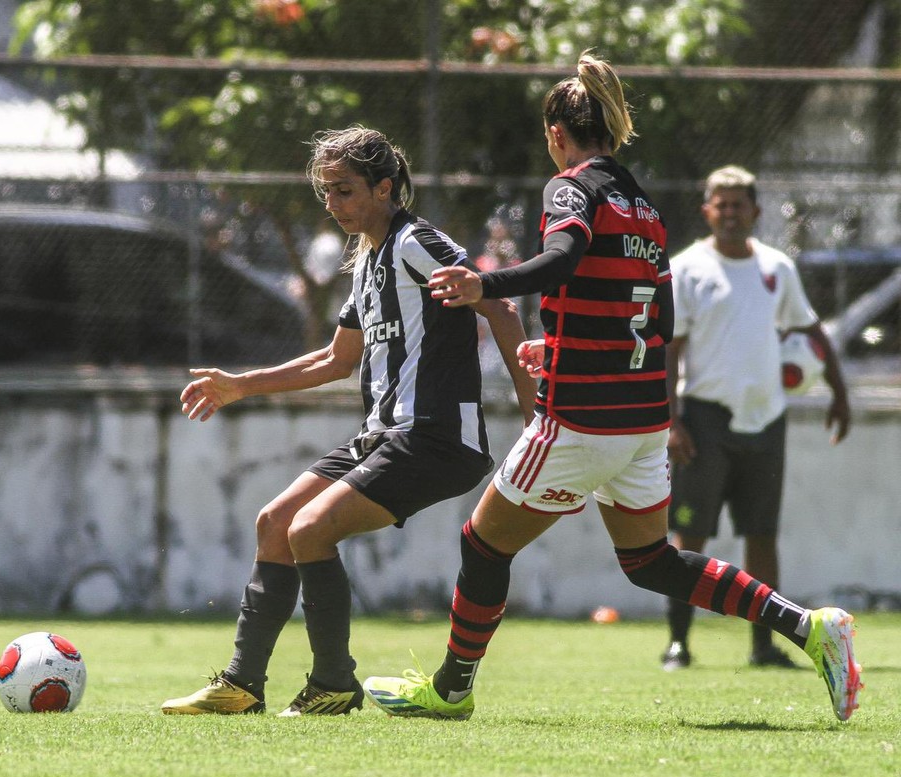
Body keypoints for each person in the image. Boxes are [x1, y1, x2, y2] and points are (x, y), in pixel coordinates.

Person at [363, 52, 862, 723]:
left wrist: (486, 283)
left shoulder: (572, 188)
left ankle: (452, 688)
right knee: (651, 559)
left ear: (557, 134)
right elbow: (656, 320)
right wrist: (564, 344)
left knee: (483, 543)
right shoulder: (646, 207)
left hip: (581, 420)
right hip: (642, 421)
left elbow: (564, 258)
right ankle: (808, 625)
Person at [161, 125, 537, 717]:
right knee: (274, 523)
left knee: (310, 530)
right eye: (326, 193)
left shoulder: (418, 243)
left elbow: (500, 305)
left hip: (436, 436)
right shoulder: (365, 259)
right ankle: (241, 685)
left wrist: (536, 416)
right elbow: (335, 359)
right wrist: (240, 385)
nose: (332, 205)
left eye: (344, 191)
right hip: (383, 435)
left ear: (385, 187)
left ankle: (334, 683)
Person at [660, 165, 851, 672]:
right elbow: (669, 350)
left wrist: (839, 391)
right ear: (707, 211)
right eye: (720, 204)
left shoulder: (776, 268)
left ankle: (764, 646)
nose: (729, 213)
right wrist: (671, 421)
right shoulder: (687, 269)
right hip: (704, 422)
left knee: (761, 535)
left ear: (756, 211)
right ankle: (678, 642)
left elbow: (811, 331)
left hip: (766, 421)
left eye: (738, 204)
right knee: (690, 535)